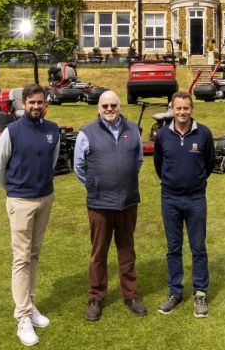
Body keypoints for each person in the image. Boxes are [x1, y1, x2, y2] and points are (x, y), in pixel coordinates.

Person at [0, 83, 60, 347]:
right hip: (21, 201)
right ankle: (22, 317)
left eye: (40, 102)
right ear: (23, 104)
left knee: (33, 254)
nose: (35, 106)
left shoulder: (52, 130)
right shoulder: (12, 131)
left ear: (45, 103)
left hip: (45, 199)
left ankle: (29, 305)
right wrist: (14, 192)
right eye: (31, 102)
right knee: (21, 258)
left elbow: (53, 161)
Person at [74, 90, 147, 321]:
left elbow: (137, 161)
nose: (109, 109)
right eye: (104, 106)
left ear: (120, 106)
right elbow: (79, 166)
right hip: (100, 204)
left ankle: (130, 295)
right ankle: (96, 296)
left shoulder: (133, 129)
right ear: (98, 108)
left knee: (127, 251)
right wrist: (96, 187)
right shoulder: (87, 133)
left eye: (113, 105)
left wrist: (122, 185)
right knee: (98, 253)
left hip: (127, 202)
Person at [153, 91, 215, 318]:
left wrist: (194, 183)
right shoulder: (162, 135)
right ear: (172, 109)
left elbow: (209, 163)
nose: (182, 112)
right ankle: (175, 292)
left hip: (196, 199)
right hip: (169, 198)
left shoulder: (204, 133)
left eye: (186, 108)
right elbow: (159, 165)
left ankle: (200, 293)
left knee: (198, 248)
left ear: (191, 109)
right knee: (174, 248)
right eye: (178, 108)